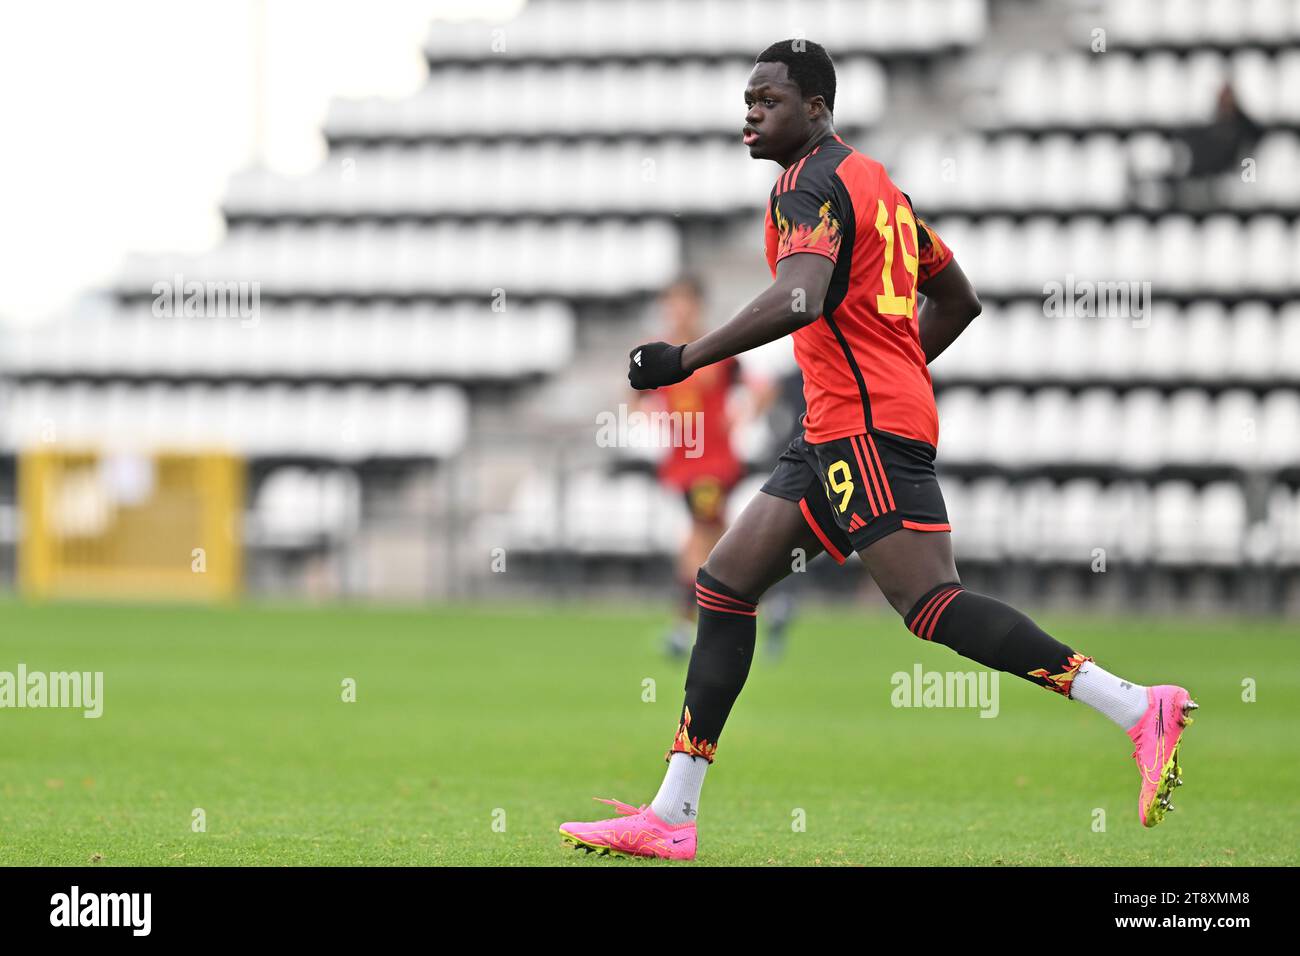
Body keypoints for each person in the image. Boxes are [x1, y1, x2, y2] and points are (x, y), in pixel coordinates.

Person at [560, 40, 1196, 860]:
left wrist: (683, 360)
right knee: (722, 586)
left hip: (859, 429)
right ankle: (672, 814)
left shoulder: (806, 184)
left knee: (931, 607)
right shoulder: (878, 188)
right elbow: (958, 299)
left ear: (816, 109)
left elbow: (800, 293)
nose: (752, 111)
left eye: (770, 99)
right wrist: (893, 374)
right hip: (834, 426)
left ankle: (1137, 706)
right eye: (747, 99)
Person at [636, 277, 745, 657]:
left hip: (713, 465)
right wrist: (644, 416)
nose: (677, 311)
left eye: (683, 303)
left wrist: (742, 413)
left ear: (698, 307)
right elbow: (635, 394)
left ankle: (684, 626)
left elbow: (760, 386)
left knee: (698, 538)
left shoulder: (716, 350)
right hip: (682, 464)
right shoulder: (661, 354)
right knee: (718, 539)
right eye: (671, 303)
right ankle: (764, 597)